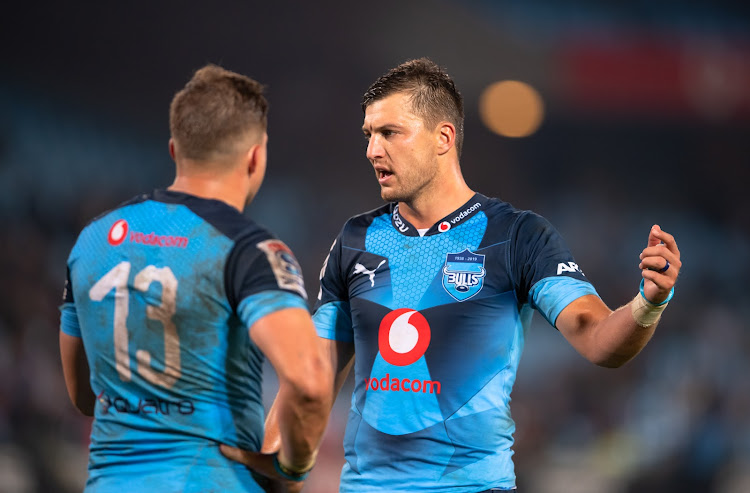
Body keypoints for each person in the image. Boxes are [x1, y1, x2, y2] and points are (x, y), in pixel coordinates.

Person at [223, 58, 682, 492]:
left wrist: (649, 301)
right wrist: (266, 464)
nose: (371, 150)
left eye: (389, 133)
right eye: (368, 134)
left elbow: (599, 340)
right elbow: (313, 379)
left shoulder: (518, 235)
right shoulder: (355, 239)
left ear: (443, 137)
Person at [59, 64, 332, 493]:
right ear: (256, 156)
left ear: (174, 149)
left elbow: (81, 395)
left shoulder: (91, 241)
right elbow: (310, 382)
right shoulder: (251, 250)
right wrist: (292, 470)